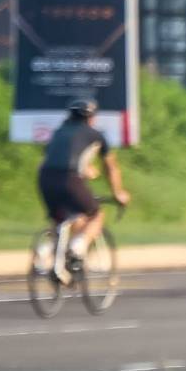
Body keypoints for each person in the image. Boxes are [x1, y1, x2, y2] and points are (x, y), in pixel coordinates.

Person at [37, 96, 129, 276]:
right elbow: (110, 167)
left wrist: (85, 169)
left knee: (60, 218)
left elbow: (58, 158)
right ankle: (77, 247)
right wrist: (118, 193)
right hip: (70, 179)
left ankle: (45, 250)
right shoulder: (95, 135)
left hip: (45, 178)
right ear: (92, 118)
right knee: (96, 215)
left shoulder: (58, 132)